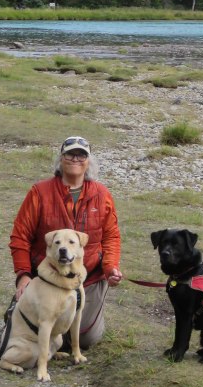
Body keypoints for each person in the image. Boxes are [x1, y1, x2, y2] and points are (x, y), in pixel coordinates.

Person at [9, 136, 123, 349]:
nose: (75, 159)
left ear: (89, 162)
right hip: (47, 277)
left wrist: (110, 268)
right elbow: (20, 236)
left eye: (81, 155)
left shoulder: (102, 194)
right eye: (70, 154)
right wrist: (23, 275)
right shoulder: (39, 192)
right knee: (32, 330)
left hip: (87, 278)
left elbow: (111, 237)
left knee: (86, 339)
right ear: (61, 159)